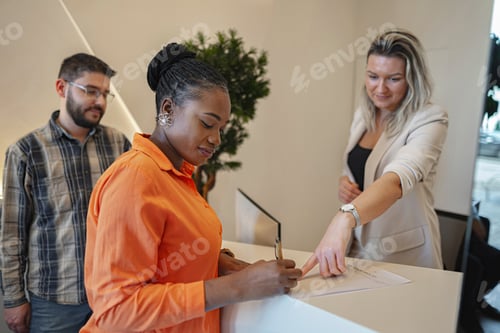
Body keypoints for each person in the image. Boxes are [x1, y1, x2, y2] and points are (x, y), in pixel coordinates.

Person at [80, 43, 302, 333]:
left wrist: (218, 263)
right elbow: (116, 311)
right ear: (168, 109)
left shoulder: (177, 174)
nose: (216, 139)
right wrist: (236, 287)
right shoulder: (136, 178)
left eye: (221, 128)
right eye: (208, 124)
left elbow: (166, 254)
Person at [0, 53, 131, 333]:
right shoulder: (25, 152)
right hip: (53, 304)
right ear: (62, 88)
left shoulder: (119, 144)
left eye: (106, 94)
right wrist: (13, 300)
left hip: (112, 295)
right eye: (91, 91)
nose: (100, 102)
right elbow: (12, 235)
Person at [302, 29, 448, 277]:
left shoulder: (430, 118)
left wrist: (344, 217)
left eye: (393, 79)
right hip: (359, 246)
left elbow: (397, 179)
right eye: (373, 76)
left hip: (403, 254)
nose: (380, 88)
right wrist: (344, 183)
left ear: (412, 79)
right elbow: (358, 166)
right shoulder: (364, 114)